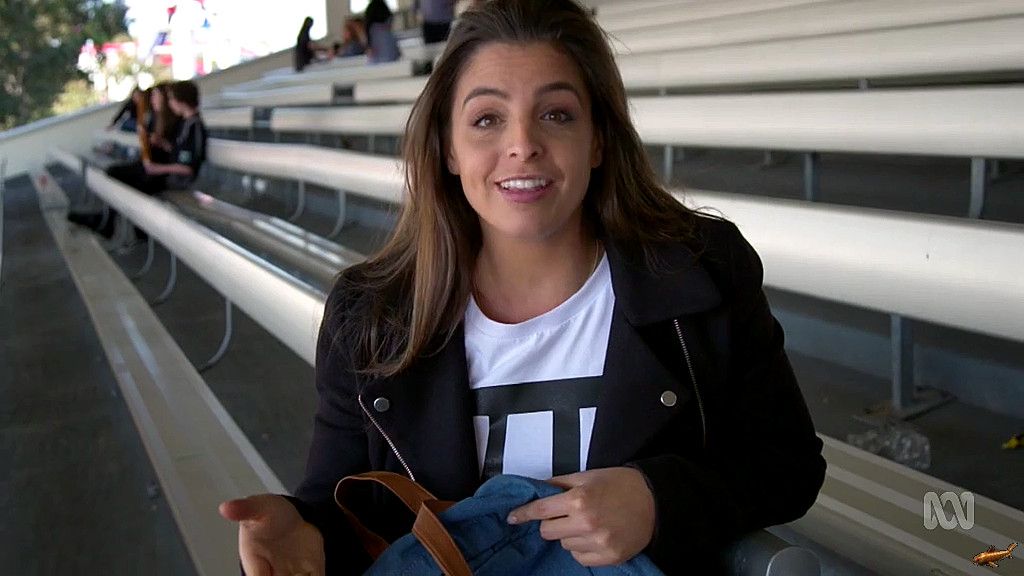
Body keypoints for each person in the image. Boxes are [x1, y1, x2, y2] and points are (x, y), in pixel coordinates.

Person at [219, 1, 826, 575]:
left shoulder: (701, 271)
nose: (522, 145)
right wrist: (306, 533)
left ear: (598, 140)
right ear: (448, 149)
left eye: (556, 114)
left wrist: (657, 498)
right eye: (486, 119)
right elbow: (340, 508)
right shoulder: (370, 314)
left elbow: (787, 465)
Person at [68, 81, 207, 237]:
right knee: (117, 173)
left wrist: (157, 168)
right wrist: (163, 144)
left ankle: (120, 224)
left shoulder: (194, 126)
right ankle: (113, 223)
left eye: (171, 99)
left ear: (181, 100)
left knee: (132, 182)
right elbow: (179, 152)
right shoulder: (185, 123)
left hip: (173, 179)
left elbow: (188, 168)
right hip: (165, 173)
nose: (169, 103)